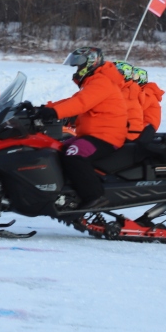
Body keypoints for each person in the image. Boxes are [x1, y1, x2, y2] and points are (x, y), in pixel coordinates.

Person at [35, 47, 128, 210]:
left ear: (90, 63)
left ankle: (95, 196)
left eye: (78, 66)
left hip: (105, 136)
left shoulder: (102, 82)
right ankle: (67, 192)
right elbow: (74, 99)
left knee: (74, 155)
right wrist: (42, 108)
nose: (77, 70)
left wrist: (53, 112)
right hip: (93, 134)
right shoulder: (95, 81)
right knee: (56, 147)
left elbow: (81, 103)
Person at [112, 60, 148, 142]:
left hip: (129, 135)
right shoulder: (127, 89)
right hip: (128, 133)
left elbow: (111, 109)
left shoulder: (127, 92)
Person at [134, 67, 165, 133]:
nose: (132, 79)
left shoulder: (148, 93)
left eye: (135, 77)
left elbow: (138, 107)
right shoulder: (143, 91)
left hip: (146, 128)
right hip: (144, 126)